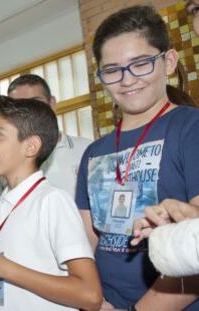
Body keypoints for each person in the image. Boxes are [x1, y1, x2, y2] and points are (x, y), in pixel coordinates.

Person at [75, 5, 199, 311]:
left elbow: (195, 245)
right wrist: (92, 300)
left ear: (168, 61)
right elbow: (87, 242)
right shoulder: (94, 152)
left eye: (140, 63)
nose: (127, 79)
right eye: (113, 69)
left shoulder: (190, 128)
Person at [0, 95, 102, 311]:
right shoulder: (4, 203)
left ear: (31, 147)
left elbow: (90, 295)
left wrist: (6, 270)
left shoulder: (52, 201)